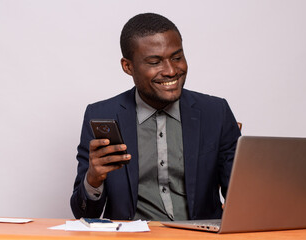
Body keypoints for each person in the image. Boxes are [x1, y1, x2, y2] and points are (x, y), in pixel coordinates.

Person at [71, 13, 241, 221]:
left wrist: (247, 169)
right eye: (155, 62)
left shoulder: (216, 112)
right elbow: (84, 214)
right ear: (128, 67)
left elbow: (243, 200)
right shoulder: (101, 115)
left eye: (177, 57)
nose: (171, 71)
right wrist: (93, 179)